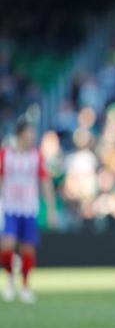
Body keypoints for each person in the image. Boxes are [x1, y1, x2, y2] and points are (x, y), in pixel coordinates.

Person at [0, 120, 56, 303]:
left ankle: (24, 286)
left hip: (29, 208)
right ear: (20, 134)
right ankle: (9, 279)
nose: (31, 136)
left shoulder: (36, 156)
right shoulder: (6, 154)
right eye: (29, 132)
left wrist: (50, 209)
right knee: (7, 244)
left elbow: (45, 181)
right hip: (10, 207)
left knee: (27, 248)